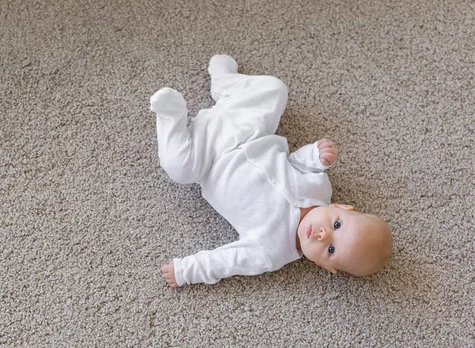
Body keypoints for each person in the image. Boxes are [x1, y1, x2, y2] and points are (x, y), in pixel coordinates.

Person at [149, 55, 392, 288]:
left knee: (177, 168)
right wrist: (316, 157)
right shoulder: (320, 188)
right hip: (251, 132)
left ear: (324, 266)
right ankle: (224, 82)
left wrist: (187, 271)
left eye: (330, 249)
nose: (322, 234)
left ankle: (171, 116)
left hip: (207, 162)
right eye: (337, 225)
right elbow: (297, 162)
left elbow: (230, 260)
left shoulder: (272, 251)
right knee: (275, 89)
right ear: (341, 207)